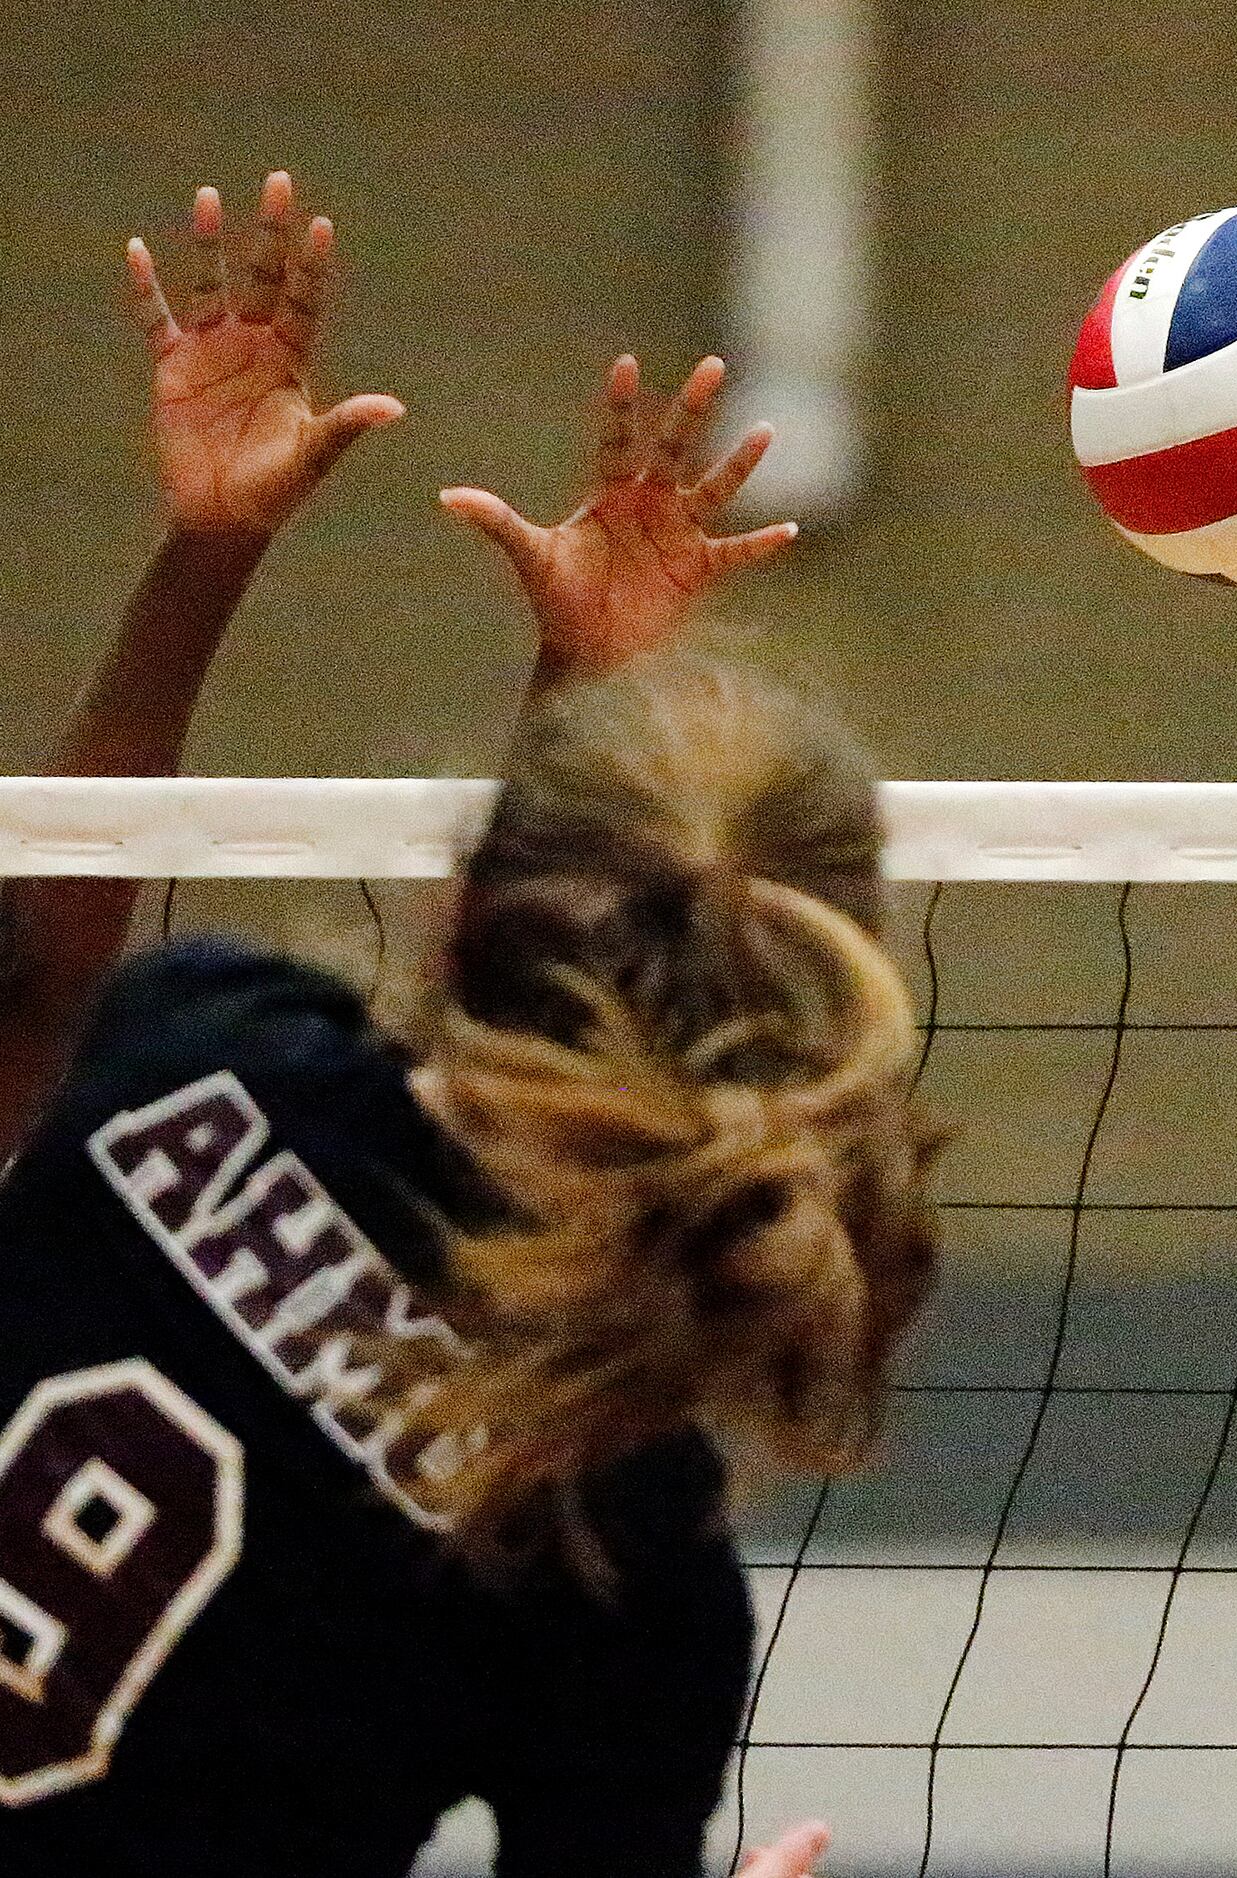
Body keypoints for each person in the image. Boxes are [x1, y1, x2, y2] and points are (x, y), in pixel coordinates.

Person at [0, 174, 928, 1877]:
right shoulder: (620, 1531)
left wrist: (211, 548)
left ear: (451, 899)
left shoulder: (201, 1046)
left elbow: (35, 1007)